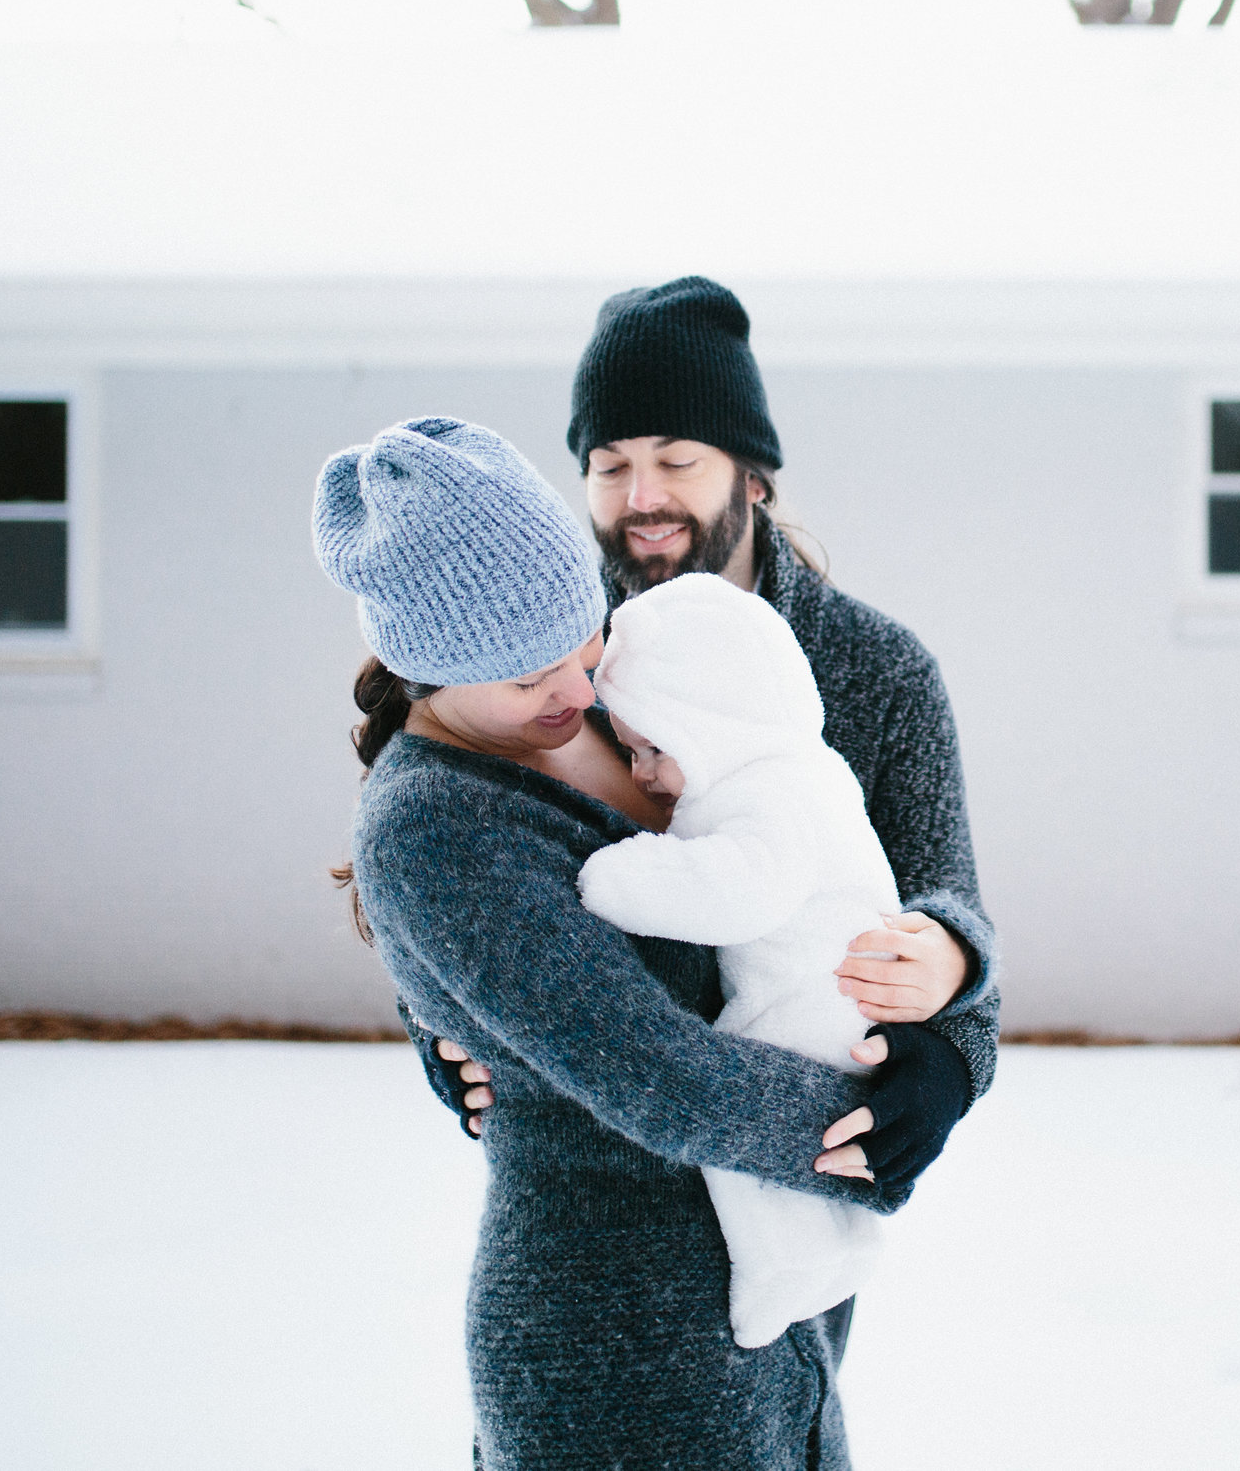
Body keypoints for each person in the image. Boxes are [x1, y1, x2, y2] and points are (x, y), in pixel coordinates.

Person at [314, 416, 969, 1469]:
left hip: (766, 1299)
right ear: (423, 668)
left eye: (585, 649)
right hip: (625, 1345)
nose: (578, 696)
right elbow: (654, 1075)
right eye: (532, 680)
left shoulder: (624, 690)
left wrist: (941, 1035)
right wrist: (865, 1130)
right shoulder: (435, 825)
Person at [414, 275, 999, 1151]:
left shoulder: (880, 669)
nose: (642, 497)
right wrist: (436, 1016)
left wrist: (950, 1028)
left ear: (753, 477)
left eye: (677, 459)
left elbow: (945, 892)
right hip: (599, 1162)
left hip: (800, 1130)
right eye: (610, 466)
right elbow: (454, 845)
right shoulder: (555, 662)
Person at [578, 571, 904, 1349]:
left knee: (732, 1132)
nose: (643, 773)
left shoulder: (769, 794)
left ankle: (780, 1268)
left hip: (815, 1000)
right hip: (836, 999)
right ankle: (837, 1244)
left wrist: (618, 877)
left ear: (710, 720)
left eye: (654, 746)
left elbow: (737, 892)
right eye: (630, 751)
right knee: (807, 1147)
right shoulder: (801, 770)